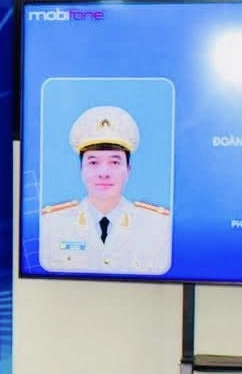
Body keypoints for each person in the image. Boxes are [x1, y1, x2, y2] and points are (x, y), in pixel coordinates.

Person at [38, 104, 171, 275]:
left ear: (128, 170)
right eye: (93, 162)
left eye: (114, 162)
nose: (103, 173)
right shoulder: (51, 224)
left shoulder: (158, 226)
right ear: (81, 169)